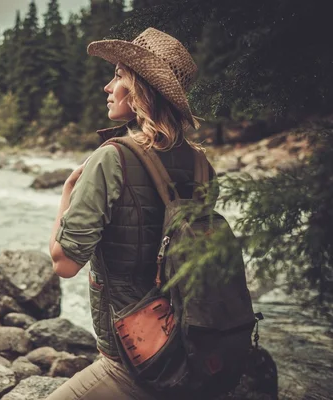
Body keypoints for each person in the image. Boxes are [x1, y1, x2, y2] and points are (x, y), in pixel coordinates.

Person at [47, 27, 214, 400]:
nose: (108, 87)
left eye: (119, 76)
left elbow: (64, 264)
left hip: (132, 364)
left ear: (141, 89)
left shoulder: (112, 157)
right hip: (188, 352)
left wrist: (67, 193)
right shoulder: (202, 165)